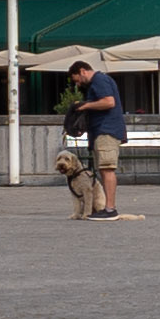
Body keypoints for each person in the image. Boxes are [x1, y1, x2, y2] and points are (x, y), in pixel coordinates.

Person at [59, 54, 130, 218]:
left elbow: (109, 102)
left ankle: (110, 209)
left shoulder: (99, 80)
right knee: (103, 169)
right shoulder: (96, 83)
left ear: (82, 71)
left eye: (77, 80)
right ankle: (106, 207)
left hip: (106, 131)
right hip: (99, 131)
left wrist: (85, 106)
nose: (78, 84)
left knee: (107, 168)